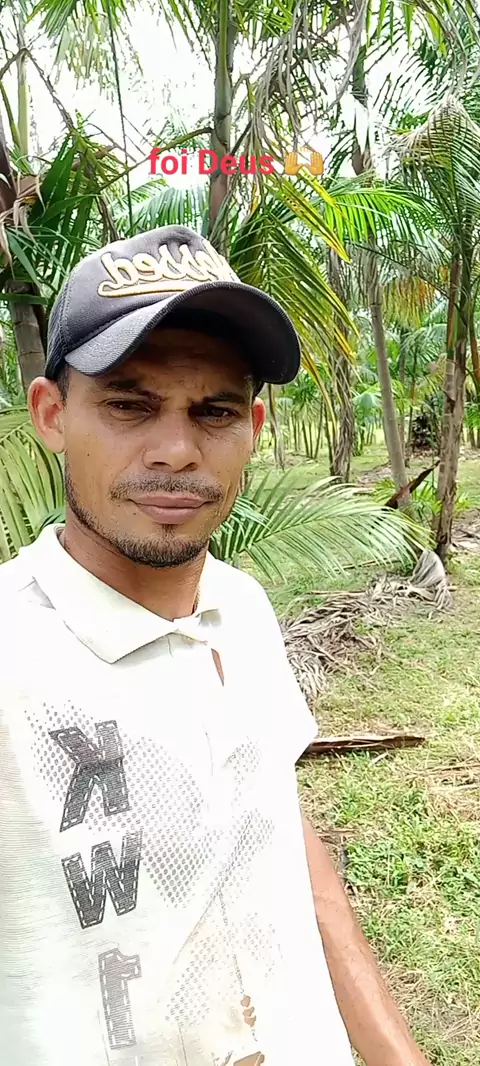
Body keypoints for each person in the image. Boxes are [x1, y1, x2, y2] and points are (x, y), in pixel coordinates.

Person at [0, 224, 430, 1066]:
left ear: (255, 426)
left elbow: (278, 832)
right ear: (52, 415)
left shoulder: (242, 607)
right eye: (128, 405)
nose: (175, 451)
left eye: (215, 411)